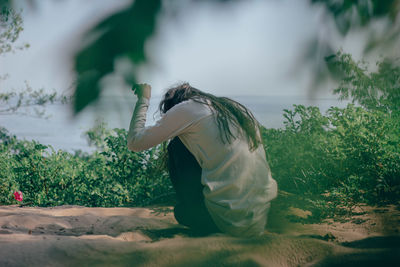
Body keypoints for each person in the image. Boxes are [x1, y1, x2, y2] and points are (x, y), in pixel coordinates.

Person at [127, 82, 277, 237]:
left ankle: (192, 206)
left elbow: (135, 142)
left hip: (228, 222)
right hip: (261, 218)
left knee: (177, 147)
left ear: (174, 105)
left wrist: (143, 99)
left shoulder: (186, 108)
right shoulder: (232, 108)